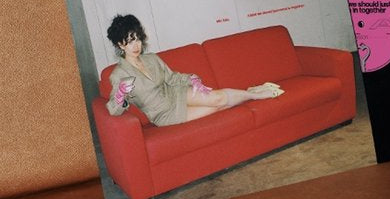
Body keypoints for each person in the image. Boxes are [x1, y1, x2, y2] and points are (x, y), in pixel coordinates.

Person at [105, 14, 283, 127]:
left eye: (137, 39)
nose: (136, 45)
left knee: (218, 97)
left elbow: (172, 78)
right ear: (120, 44)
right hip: (165, 113)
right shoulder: (119, 74)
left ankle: (254, 94)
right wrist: (121, 94)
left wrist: (192, 80)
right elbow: (114, 110)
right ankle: (251, 93)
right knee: (219, 107)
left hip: (176, 93)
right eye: (130, 41)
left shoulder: (151, 59)